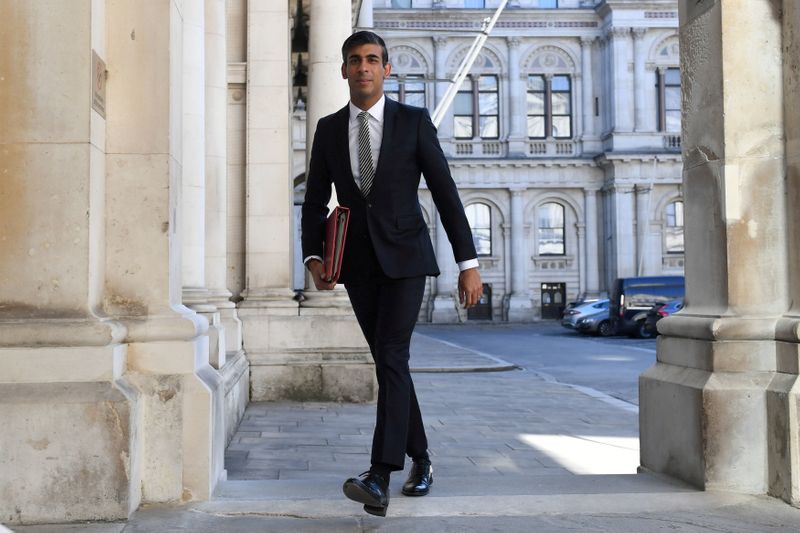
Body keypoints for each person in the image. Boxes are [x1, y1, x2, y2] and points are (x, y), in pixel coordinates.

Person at [301, 30, 482, 517]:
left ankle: (380, 475)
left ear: (386, 69)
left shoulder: (413, 122)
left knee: (392, 354)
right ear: (343, 70)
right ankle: (421, 458)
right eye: (355, 60)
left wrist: (469, 264)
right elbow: (316, 199)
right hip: (356, 265)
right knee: (389, 362)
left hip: (406, 260)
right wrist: (312, 255)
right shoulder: (329, 128)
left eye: (373, 60)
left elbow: (446, 193)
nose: (364, 67)